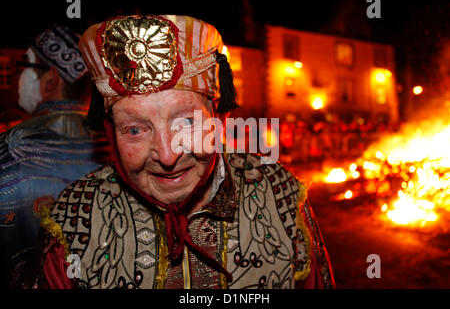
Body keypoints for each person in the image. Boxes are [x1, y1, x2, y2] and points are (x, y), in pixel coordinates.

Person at [13, 15, 334, 289]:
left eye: (186, 122)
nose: (167, 156)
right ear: (111, 131)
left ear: (217, 118)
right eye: (135, 129)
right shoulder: (75, 219)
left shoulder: (278, 196)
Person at [0, 25, 111, 288]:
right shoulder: (117, 146)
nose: (19, 77)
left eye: (25, 65)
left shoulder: (10, 148)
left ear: (51, 80)